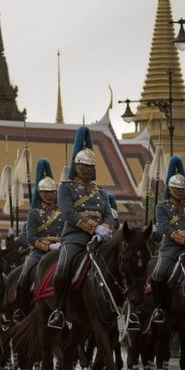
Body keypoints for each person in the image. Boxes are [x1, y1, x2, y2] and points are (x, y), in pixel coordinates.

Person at [50, 126, 115, 330]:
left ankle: (121, 308)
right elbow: (69, 213)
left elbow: (108, 213)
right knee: (63, 267)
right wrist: (93, 228)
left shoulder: (100, 192)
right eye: (84, 165)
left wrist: (105, 226)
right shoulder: (65, 188)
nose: (88, 169)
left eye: (91, 166)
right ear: (76, 166)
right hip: (75, 238)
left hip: (100, 239)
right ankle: (59, 310)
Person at [149, 156, 185, 324]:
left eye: (182, 189)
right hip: (171, 249)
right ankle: (159, 308)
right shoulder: (162, 206)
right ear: (170, 189)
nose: (180, 192)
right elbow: (166, 228)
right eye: (177, 189)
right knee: (158, 273)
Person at [15, 159, 63, 320]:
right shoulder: (34, 213)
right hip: (39, 251)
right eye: (45, 193)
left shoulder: (62, 212)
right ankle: (20, 310)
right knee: (25, 274)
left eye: (52, 192)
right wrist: (48, 247)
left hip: (61, 249)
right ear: (39, 194)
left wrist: (62, 244)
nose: (49, 195)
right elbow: (31, 236)